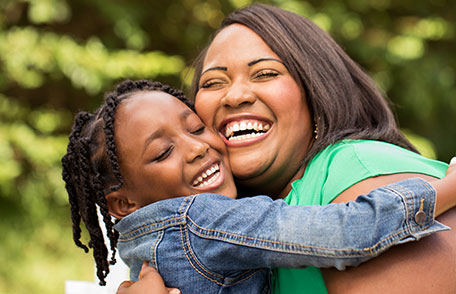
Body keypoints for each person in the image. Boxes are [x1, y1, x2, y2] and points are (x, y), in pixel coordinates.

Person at [62, 79, 452, 294]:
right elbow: (345, 233)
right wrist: (447, 188)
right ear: (123, 203)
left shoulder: (145, 247)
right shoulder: (199, 220)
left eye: (196, 127)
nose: (199, 147)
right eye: (163, 152)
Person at [188, 3, 456, 293]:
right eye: (213, 82)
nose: (235, 96)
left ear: (318, 95)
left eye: (265, 74)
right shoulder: (239, 227)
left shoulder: (355, 171)